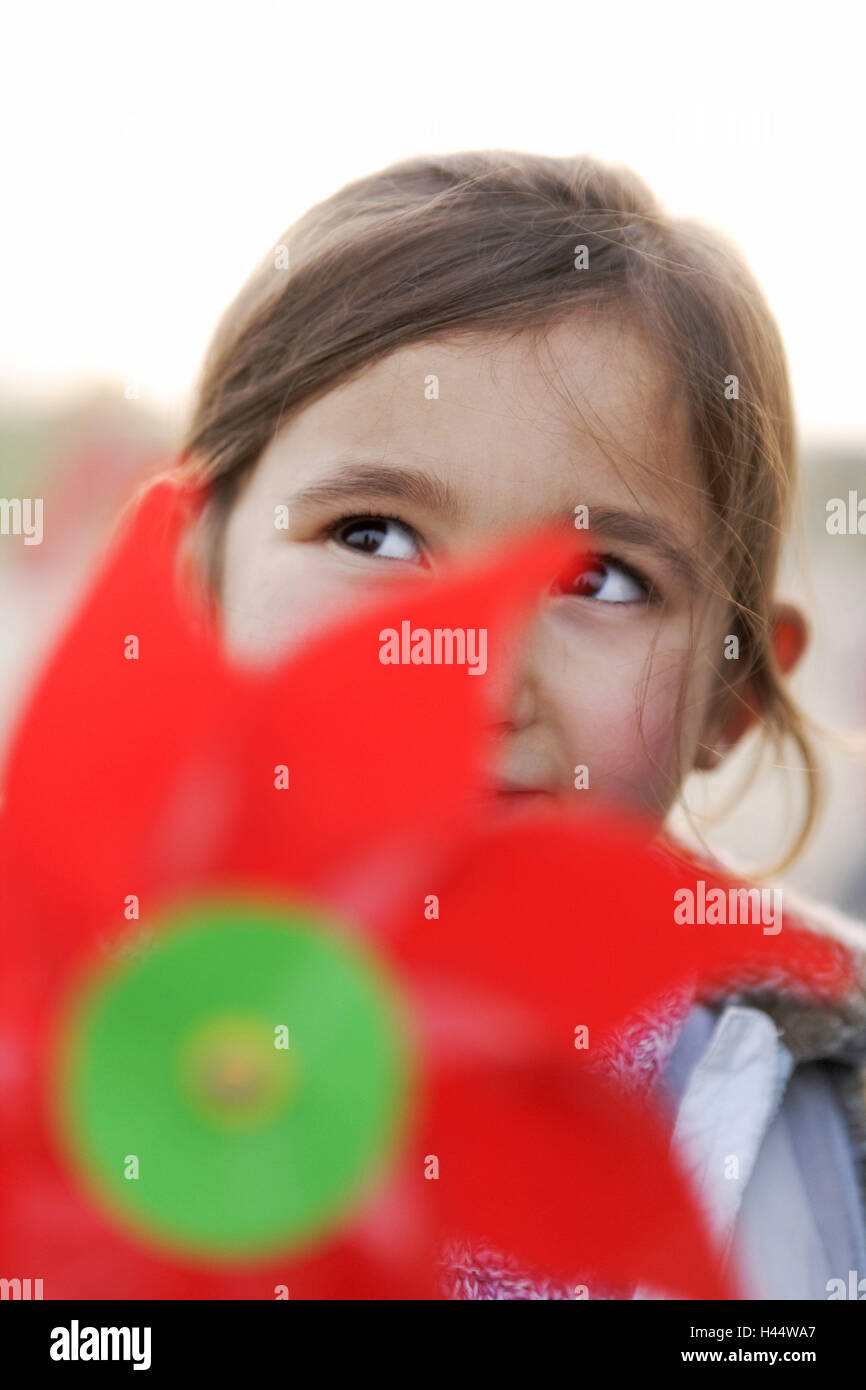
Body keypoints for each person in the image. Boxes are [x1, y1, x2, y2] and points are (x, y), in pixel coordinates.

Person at [175, 150, 866, 1299]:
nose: (471, 673)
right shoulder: (56, 1051)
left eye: (598, 577)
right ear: (190, 587)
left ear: (728, 699)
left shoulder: (833, 1109)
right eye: (374, 535)